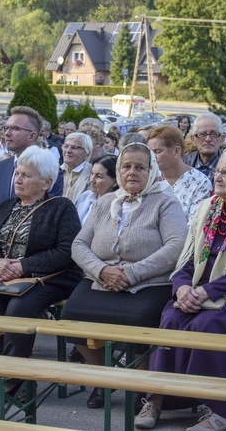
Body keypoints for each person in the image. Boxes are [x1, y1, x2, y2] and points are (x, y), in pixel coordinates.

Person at [135, 147, 226, 431]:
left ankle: (222, 410)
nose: (219, 176)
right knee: (172, 318)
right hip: (201, 290)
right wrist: (181, 289)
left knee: (210, 324)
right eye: (218, 171)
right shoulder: (208, 208)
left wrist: (206, 292)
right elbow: (187, 258)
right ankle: (157, 398)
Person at [61, 142, 188, 409]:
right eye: (126, 166)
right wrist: (102, 270)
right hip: (100, 280)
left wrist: (131, 273)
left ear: (152, 171)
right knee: (71, 317)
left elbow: (176, 246)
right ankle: (106, 377)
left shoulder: (165, 201)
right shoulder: (105, 201)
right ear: (118, 170)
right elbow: (79, 245)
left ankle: (138, 384)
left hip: (147, 283)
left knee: (139, 320)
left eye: (140, 167)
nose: (132, 172)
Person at [0, 146, 82, 405]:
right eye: (17, 173)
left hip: (50, 276)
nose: (17, 180)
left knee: (18, 309)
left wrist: (23, 266)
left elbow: (67, 252)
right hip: (4, 274)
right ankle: (3, 367)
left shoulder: (61, 208)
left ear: (47, 182)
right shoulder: (6, 206)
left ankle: (14, 380)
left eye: (26, 175)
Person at [0, 106, 62, 205]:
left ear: (32, 136)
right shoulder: (2, 167)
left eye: (15, 128)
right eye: (6, 128)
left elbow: (50, 211)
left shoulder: (50, 170)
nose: (7, 133)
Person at [148, 125, 212, 222]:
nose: (152, 157)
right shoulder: (150, 179)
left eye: (157, 151)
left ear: (176, 151)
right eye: (150, 153)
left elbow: (194, 226)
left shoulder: (200, 183)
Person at [75, 155, 119, 225]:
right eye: (92, 174)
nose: (92, 180)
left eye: (99, 176)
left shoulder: (117, 206)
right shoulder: (85, 196)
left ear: (115, 182)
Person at [184, 113, 225, 184]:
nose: (208, 139)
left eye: (214, 134)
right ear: (193, 139)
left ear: (222, 139)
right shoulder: (183, 163)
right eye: (202, 134)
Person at [61, 132, 93, 204]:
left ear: (86, 154)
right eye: (66, 146)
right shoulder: (56, 171)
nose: (68, 151)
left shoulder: (91, 175)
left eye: (74, 148)